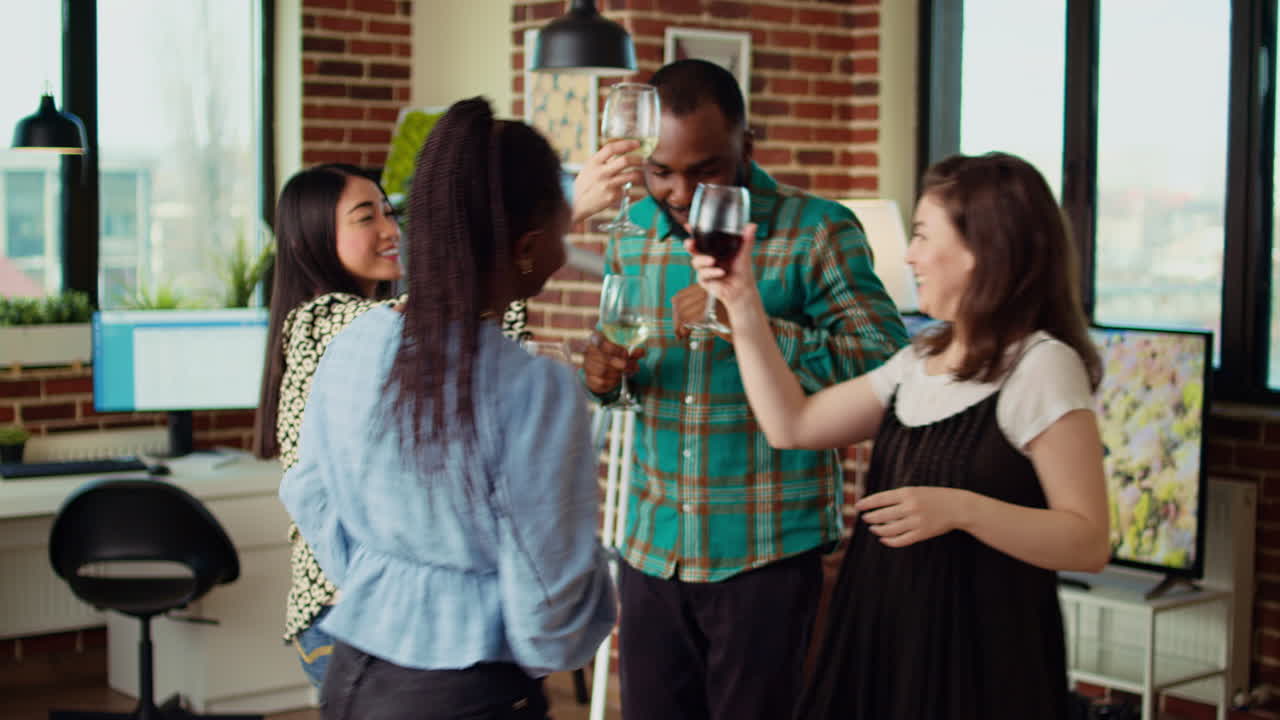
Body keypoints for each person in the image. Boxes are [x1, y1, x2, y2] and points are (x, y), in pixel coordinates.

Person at [689, 151, 1110, 719]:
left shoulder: (1041, 365)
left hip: (979, 664)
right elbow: (791, 425)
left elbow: (1087, 541)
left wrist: (961, 509)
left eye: (921, 235)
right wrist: (741, 302)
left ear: (984, 249)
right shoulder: (921, 357)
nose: (909, 255)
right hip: (886, 638)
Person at [579, 59, 908, 720]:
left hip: (764, 557)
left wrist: (743, 317)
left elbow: (887, 368)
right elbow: (626, 374)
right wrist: (605, 380)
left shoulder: (818, 231)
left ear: (746, 148)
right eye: (660, 170)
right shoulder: (635, 233)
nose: (677, 192)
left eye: (704, 170)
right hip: (651, 551)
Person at [279, 97, 616, 719]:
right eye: (564, 234)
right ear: (527, 245)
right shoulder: (534, 388)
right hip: (467, 691)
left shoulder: (356, 342)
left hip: (355, 675)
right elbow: (549, 607)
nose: (564, 254)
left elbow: (309, 490)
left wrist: (386, 582)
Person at [253, 162, 404, 688]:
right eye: (366, 217)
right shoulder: (325, 319)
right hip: (344, 617)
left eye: (390, 211)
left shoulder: (371, 319)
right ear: (315, 239)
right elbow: (447, 315)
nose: (390, 229)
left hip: (363, 609)